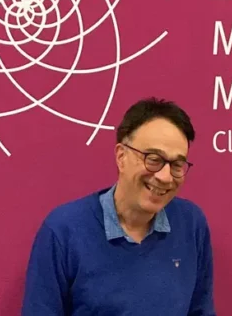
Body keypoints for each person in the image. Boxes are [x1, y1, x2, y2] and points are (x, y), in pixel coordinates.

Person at [21, 97, 216, 316]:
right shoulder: (64, 231)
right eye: (153, 159)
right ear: (121, 156)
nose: (165, 176)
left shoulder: (191, 225)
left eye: (177, 165)